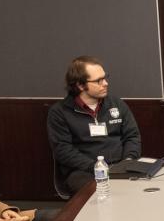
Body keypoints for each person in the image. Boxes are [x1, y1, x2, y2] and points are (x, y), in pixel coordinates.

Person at [47, 56, 141, 194]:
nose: (106, 83)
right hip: (84, 171)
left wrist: (128, 161)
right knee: (105, 191)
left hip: (121, 166)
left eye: (105, 77)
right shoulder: (60, 112)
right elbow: (63, 150)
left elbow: (132, 136)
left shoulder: (116, 104)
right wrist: (97, 167)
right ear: (80, 85)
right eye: (99, 80)